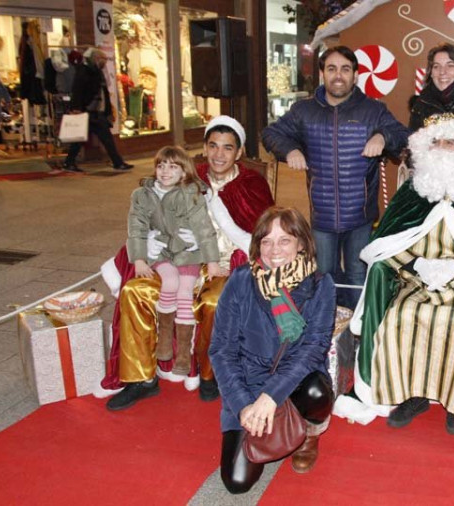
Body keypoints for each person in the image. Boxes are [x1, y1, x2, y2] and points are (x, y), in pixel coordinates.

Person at [334, 117, 454, 442]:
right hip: (414, 279)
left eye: (450, 142)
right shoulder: (412, 190)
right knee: (401, 316)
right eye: (436, 142)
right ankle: (412, 394)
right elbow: (386, 245)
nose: (443, 149)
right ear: (424, 148)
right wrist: (418, 265)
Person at [101, 116, 274, 409]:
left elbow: (264, 238)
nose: (219, 154)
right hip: (175, 260)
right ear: (204, 148)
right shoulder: (186, 174)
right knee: (135, 291)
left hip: (225, 264)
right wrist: (152, 241)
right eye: (213, 146)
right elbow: (149, 212)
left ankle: (211, 375)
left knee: (216, 302)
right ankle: (141, 379)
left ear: (239, 152)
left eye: (227, 148)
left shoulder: (252, 184)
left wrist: (229, 249)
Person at [262, 46, 409, 309]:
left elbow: (401, 134)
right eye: (331, 69)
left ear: (355, 76)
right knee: (324, 274)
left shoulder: (373, 110)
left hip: (360, 216)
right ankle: (325, 333)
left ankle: (357, 333)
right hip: (322, 215)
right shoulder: (303, 110)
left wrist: (382, 136)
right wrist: (291, 149)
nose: (338, 75)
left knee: (356, 274)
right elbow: (271, 134)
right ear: (322, 74)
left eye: (345, 69)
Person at [210, 207, 336, 492]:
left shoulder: (320, 285)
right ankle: (254, 418)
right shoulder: (241, 280)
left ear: (301, 243)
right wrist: (244, 405)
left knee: (316, 391)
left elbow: (314, 348)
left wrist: (270, 397)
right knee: (237, 483)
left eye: (284, 240)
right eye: (266, 241)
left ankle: (309, 433)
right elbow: (221, 350)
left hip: (295, 380)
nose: (273, 249)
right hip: (247, 381)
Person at [126, 146, 222, 379]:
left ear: (183, 172)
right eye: (161, 166)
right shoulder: (142, 195)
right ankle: (165, 338)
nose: (165, 171)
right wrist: (139, 258)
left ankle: (183, 354)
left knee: (185, 289)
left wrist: (211, 260)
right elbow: (136, 226)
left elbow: (203, 228)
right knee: (169, 281)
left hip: (187, 252)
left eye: (172, 166)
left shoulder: (190, 193)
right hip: (160, 251)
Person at [64, 48, 133, 173]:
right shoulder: (84, 71)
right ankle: (69, 162)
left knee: (104, 138)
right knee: (82, 139)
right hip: (88, 111)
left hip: (96, 112)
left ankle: (117, 162)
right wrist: (77, 108)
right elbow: (77, 91)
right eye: (103, 59)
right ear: (96, 58)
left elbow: (104, 93)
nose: (105, 62)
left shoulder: (97, 72)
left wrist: (108, 111)